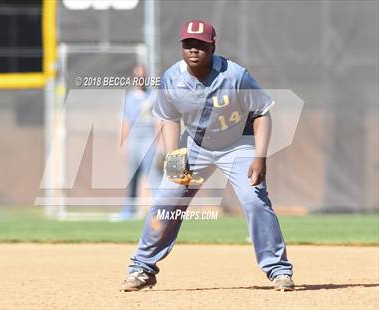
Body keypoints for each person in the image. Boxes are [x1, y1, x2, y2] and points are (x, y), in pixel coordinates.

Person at [120, 20, 294, 291]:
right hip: (196, 146)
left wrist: (260, 156)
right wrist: (173, 155)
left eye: (200, 44)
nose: (193, 49)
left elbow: (262, 113)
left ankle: (278, 270)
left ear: (212, 46)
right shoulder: (172, 78)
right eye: (188, 43)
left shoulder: (235, 75)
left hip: (238, 144)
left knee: (254, 199)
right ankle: (142, 268)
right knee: (166, 200)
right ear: (182, 47)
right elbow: (168, 117)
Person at [113, 65, 163, 220]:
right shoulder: (129, 98)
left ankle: (159, 210)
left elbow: (159, 121)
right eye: (137, 76)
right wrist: (122, 144)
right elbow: (126, 122)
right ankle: (129, 210)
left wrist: (159, 142)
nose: (140, 79)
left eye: (143, 76)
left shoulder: (153, 96)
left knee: (153, 175)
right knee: (132, 175)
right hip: (133, 139)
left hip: (149, 139)